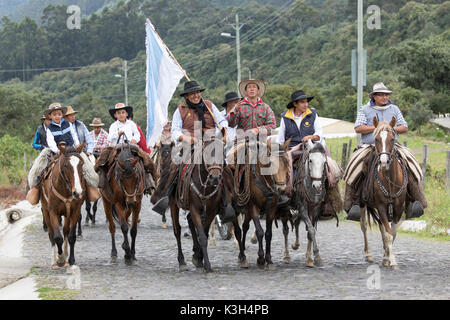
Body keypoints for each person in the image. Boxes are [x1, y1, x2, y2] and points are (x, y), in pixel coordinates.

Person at [150, 80, 234, 222]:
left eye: (197, 92)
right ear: (186, 96)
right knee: (175, 166)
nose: (196, 95)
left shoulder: (209, 105)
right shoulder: (180, 110)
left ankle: (227, 203)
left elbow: (221, 121)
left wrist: (224, 130)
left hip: (211, 143)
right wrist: (187, 138)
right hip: (191, 146)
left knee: (224, 167)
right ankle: (165, 196)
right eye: (192, 93)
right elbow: (175, 130)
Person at [343, 82, 427, 221]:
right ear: (374, 96)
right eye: (381, 95)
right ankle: (353, 203)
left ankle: (415, 201)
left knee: (410, 161)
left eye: (386, 94)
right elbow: (358, 128)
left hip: (391, 145)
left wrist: (388, 129)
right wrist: (378, 129)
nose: (384, 97)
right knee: (355, 164)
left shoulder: (394, 109)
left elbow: (404, 126)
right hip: (369, 145)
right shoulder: (365, 109)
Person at [278, 89, 342, 218]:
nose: (306, 104)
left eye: (306, 102)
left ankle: (328, 200)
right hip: (292, 149)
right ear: (295, 104)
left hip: (312, 147)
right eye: (302, 102)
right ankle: (285, 195)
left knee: (330, 168)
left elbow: (319, 132)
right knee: (285, 169)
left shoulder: (312, 114)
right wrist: (283, 150)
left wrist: (311, 137)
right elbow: (280, 139)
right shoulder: (285, 117)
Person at [96, 103, 154, 193]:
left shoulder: (131, 124)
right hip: (117, 147)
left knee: (145, 159)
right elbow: (110, 137)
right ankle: (102, 183)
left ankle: (149, 183)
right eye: (119, 113)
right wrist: (117, 134)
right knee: (103, 160)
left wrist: (134, 139)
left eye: (123, 112)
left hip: (131, 146)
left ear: (127, 114)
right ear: (115, 115)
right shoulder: (113, 126)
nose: (121, 114)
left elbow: (137, 134)